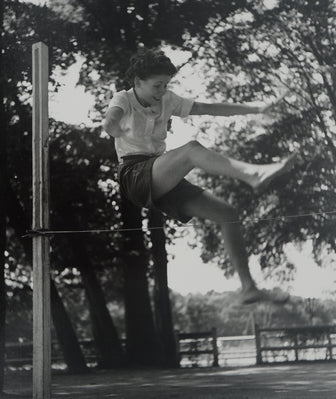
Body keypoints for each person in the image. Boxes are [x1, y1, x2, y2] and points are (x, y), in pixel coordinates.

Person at [103, 48, 297, 305]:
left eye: (166, 85)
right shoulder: (124, 99)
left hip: (161, 173)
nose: (161, 91)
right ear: (137, 82)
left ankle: (248, 287)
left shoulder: (168, 100)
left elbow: (208, 108)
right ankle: (254, 173)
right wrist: (114, 126)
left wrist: (257, 108)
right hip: (134, 174)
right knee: (192, 150)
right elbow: (110, 120)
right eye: (157, 85)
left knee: (227, 214)